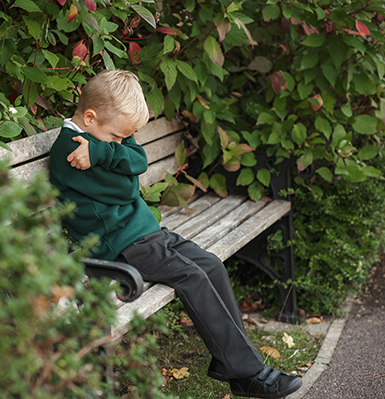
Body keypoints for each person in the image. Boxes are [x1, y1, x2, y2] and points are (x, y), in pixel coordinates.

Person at [49, 69, 302, 399]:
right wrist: (112, 157)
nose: (121, 143)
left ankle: (238, 367)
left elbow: (137, 161)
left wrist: (105, 151)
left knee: (210, 264)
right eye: (115, 138)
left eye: (124, 138)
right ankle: (248, 372)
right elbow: (128, 189)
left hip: (143, 233)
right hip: (118, 244)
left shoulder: (101, 141)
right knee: (192, 277)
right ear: (90, 117)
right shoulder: (69, 151)